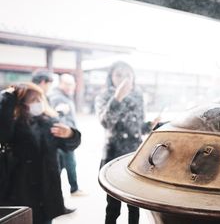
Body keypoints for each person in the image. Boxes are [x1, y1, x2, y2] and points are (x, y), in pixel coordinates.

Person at [0, 82, 81, 224]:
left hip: (46, 186)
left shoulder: (48, 121)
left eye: (40, 99)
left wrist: (70, 134)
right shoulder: (12, 124)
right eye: (33, 100)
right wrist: (8, 98)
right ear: (21, 104)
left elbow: (69, 145)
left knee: (45, 219)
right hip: (20, 187)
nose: (38, 103)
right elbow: (4, 135)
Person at [95, 61, 159, 224]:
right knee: (113, 205)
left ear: (133, 77)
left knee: (134, 204)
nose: (123, 79)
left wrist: (148, 125)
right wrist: (117, 97)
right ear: (111, 77)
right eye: (118, 75)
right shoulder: (104, 96)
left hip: (134, 154)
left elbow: (138, 127)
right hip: (113, 152)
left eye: (127, 75)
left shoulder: (138, 96)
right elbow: (106, 123)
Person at [48, 74, 85, 196]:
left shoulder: (64, 96)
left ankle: (58, 192)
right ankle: (73, 189)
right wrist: (68, 135)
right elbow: (58, 118)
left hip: (66, 137)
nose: (70, 87)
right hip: (63, 138)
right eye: (67, 84)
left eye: (72, 84)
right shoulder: (58, 97)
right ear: (60, 84)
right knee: (67, 164)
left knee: (62, 165)